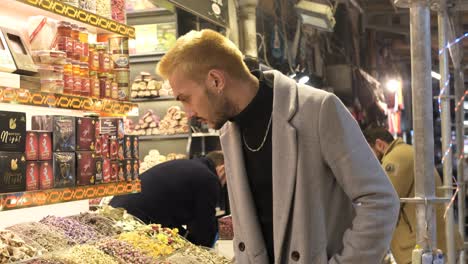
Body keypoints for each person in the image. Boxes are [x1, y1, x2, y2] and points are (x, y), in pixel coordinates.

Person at [156, 29, 399, 263]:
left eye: (185, 98)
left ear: (216, 80)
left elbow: (379, 200)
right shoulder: (229, 130)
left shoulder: (317, 110)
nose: (187, 113)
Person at [363, 126, 463, 264]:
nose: (366, 160)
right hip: (435, 245)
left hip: (427, 249)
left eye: (368, 152)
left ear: (379, 145)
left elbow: (382, 201)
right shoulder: (406, 152)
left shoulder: (395, 158)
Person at [109, 151, 225, 247]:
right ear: (223, 168)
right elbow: (203, 226)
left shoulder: (191, 167)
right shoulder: (208, 178)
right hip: (131, 219)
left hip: (118, 210)